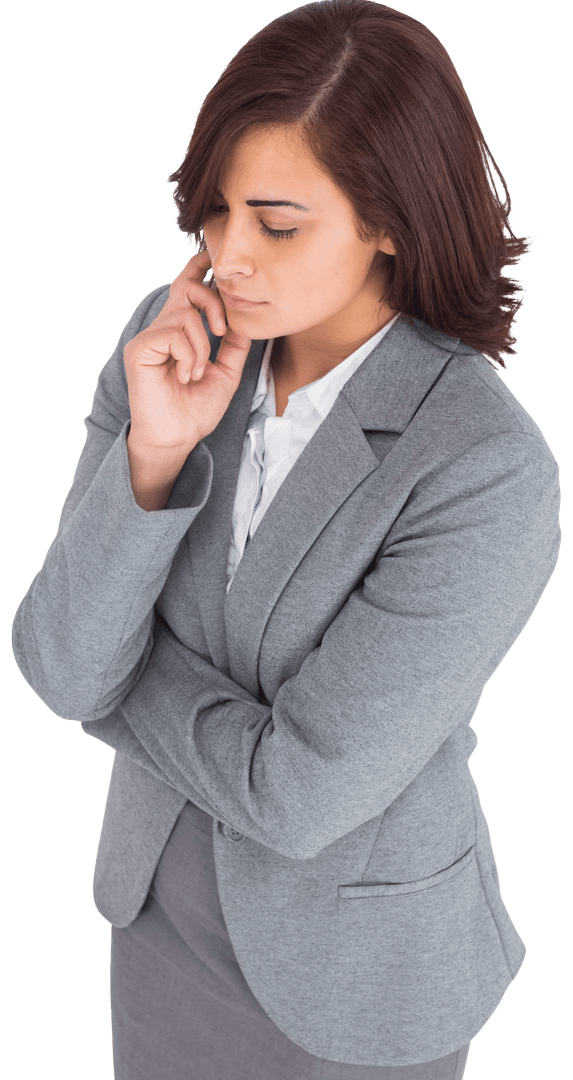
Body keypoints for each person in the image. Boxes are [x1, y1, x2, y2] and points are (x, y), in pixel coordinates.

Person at [10, 2, 562, 1078]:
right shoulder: (164, 348)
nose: (228, 260)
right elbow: (55, 661)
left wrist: (116, 686)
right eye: (214, 215)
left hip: (358, 975)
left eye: (277, 223)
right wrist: (155, 457)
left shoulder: (483, 467)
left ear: (389, 219)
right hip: (157, 926)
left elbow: (296, 796)